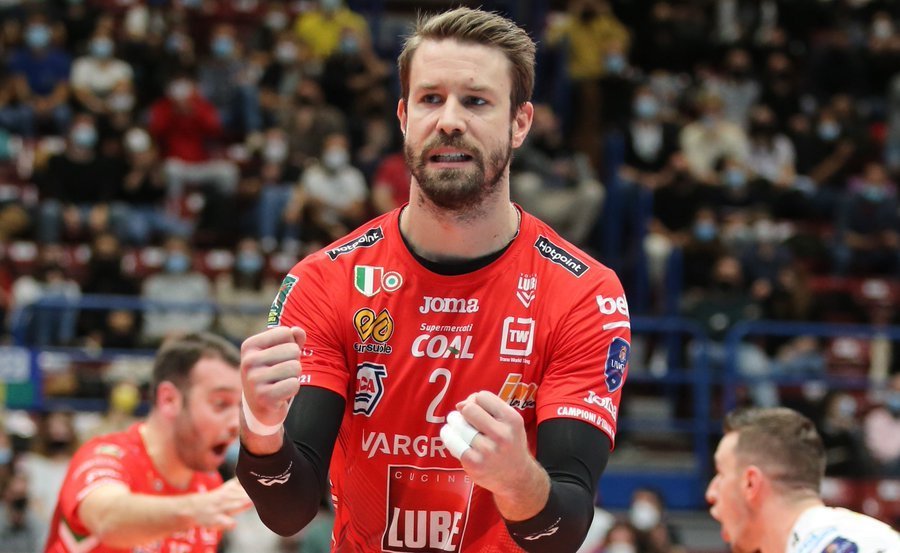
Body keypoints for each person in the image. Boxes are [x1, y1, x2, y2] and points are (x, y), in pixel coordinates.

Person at [236, 8, 630, 552]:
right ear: (403, 116)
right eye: (430, 98)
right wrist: (260, 431)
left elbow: (562, 532)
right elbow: (289, 512)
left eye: (476, 101)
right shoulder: (326, 281)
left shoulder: (583, 293)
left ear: (520, 123)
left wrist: (517, 478)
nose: (449, 120)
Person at [44, 332, 252, 552]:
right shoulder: (105, 455)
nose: (235, 423)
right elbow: (106, 520)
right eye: (220, 404)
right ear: (169, 400)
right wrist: (195, 509)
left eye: (240, 406)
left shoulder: (208, 483)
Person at [706, 407, 899, 553]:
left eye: (720, 473)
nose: (710, 493)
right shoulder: (836, 536)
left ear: (750, 483)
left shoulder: (835, 544)